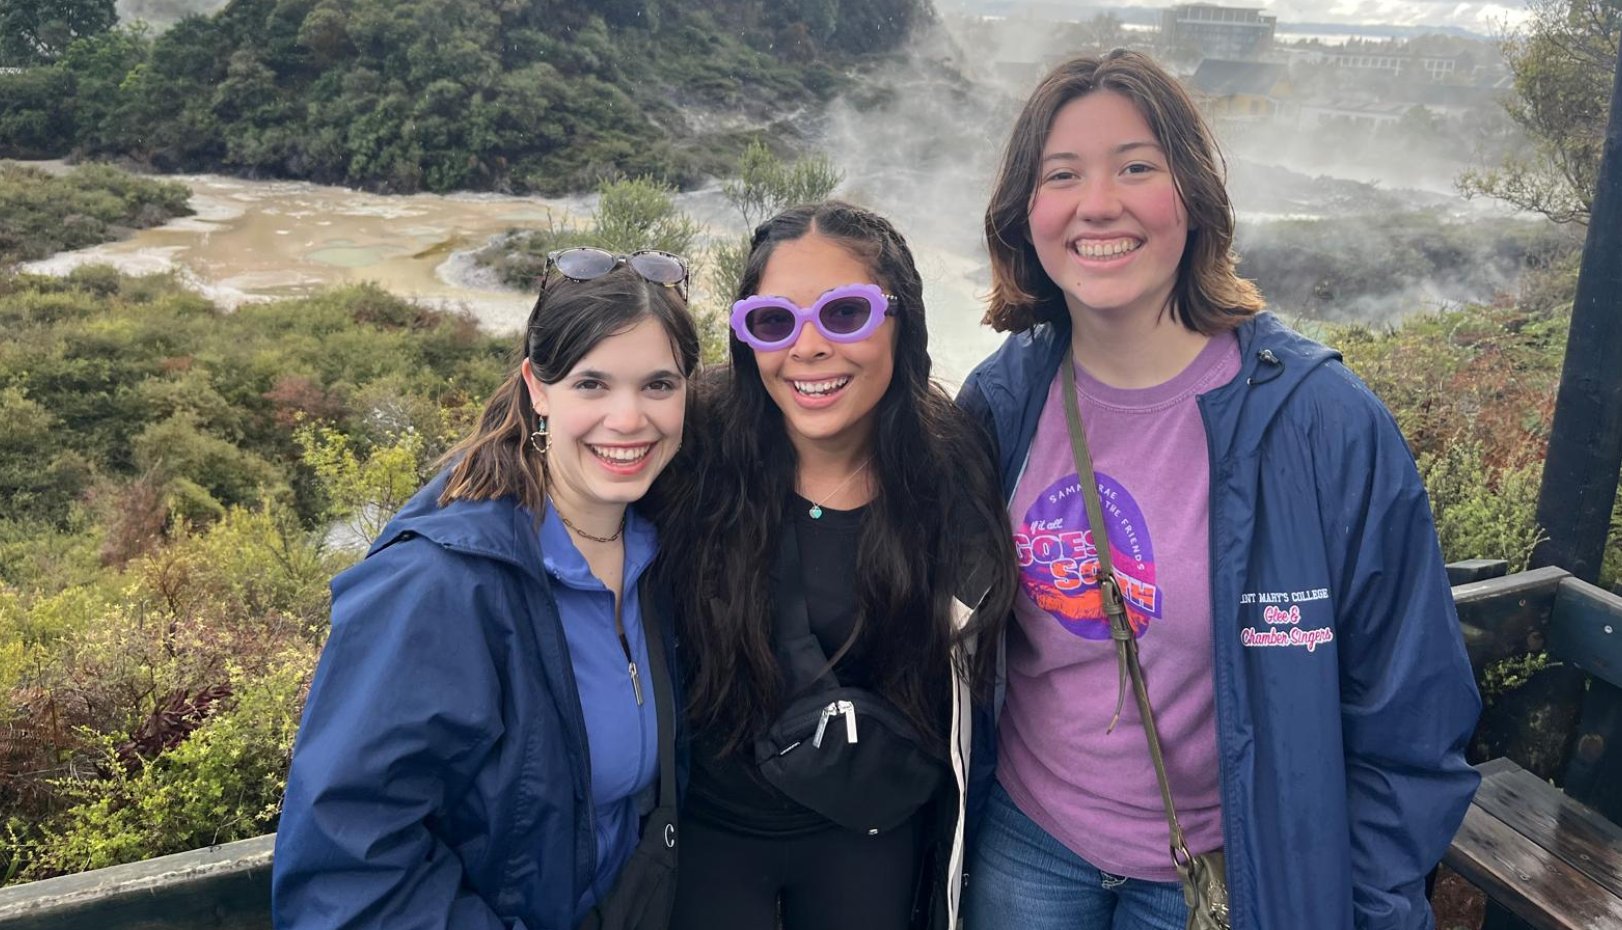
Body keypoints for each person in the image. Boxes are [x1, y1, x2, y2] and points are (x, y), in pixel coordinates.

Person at [956, 51, 1481, 930]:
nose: (1099, 204)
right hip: (1026, 849)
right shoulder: (1002, 402)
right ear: (1026, 214)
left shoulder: (1320, 422)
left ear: (1191, 195)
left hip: (1235, 871)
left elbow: (1408, 713)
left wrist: (1366, 904)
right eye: (1062, 175)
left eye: (1136, 166)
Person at [272, 248, 700, 930]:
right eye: (592, 385)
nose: (629, 418)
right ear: (537, 388)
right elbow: (348, 874)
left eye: (658, 385)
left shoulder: (662, 547)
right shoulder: (441, 585)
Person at [652, 201, 1016, 930]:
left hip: (872, 834)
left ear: (901, 319)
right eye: (774, 321)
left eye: (845, 313)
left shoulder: (950, 470)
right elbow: (557, 456)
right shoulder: (689, 451)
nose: (809, 348)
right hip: (707, 835)